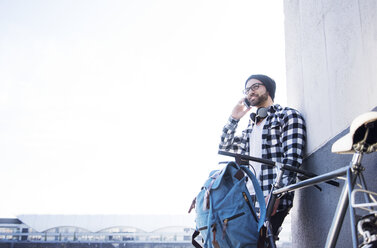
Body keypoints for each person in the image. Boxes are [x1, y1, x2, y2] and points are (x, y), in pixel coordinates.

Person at [219, 74, 306, 240]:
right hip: (246, 200)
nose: (250, 92)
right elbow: (224, 148)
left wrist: (277, 194)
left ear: (268, 89)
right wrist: (234, 118)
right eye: (247, 89)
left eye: (255, 86)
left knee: (261, 242)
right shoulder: (249, 130)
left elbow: (292, 160)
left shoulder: (287, 116)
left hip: (271, 198)